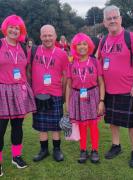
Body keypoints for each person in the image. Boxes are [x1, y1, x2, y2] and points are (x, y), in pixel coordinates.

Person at [98, 5, 133, 168]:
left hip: (127, 89)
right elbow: (99, 62)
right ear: (104, 22)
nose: (112, 21)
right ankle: (116, 145)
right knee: (113, 121)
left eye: (114, 17)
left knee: (132, 124)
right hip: (110, 90)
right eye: (109, 19)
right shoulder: (103, 40)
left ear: (120, 19)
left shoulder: (130, 37)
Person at [0, 15, 36, 176]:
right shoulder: (0, 44)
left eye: (17, 28)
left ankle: (16, 156)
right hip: (2, 91)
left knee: (17, 126)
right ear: (5, 28)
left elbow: (26, 70)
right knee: (0, 129)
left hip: (19, 91)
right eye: (11, 27)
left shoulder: (23, 48)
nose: (14, 30)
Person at [66, 33, 105, 163]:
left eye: (84, 44)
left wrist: (101, 101)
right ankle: (83, 150)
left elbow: (101, 82)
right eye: (79, 44)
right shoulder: (71, 63)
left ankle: (94, 150)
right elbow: (69, 85)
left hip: (93, 95)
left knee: (93, 125)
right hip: (77, 96)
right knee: (82, 125)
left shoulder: (94, 61)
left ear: (89, 46)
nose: (82, 47)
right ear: (74, 47)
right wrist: (67, 102)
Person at [31, 25, 68, 162]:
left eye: (50, 35)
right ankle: (44, 150)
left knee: (56, 126)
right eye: (44, 35)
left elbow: (65, 76)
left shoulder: (62, 54)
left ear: (55, 36)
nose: (47, 38)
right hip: (38, 93)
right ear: (40, 36)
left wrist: (63, 95)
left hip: (55, 94)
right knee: (42, 126)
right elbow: (28, 70)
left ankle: (57, 150)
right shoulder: (33, 51)